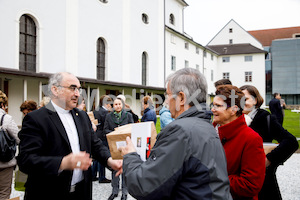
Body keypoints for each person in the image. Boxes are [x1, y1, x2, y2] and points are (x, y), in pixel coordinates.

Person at [119, 68, 232, 200]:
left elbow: (144, 187)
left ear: (182, 98)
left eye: (168, 95)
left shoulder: (181, 131)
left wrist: (130, 156)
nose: (166, 102)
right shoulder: (205, 126)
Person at [17, 72, 122, 200]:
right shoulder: (36, 119)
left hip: (81, 192)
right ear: (55, 90)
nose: (77, 94)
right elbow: (26, 160)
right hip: (49, 193)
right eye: (72, 88)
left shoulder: (82, 116)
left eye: (78, 89)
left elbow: (95, 144)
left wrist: (110, 160)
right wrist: (62, 163)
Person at [240, 85, 299, 200]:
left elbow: (291, 142)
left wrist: (268, 159)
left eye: (245, 99)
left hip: (263, 182)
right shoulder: (237, 118)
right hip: (243, 182)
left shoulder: (265, 118)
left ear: (255, 100)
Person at [211, 85, 265, 200]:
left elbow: (250, 185)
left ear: (234, 110)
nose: (212, 109)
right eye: (213, 105)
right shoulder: (209, 131)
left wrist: (213, 178)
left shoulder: (251, 139)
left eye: (218, 106)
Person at [103, 98, 134, 200]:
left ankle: (124, 192)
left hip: (125, 145)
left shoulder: (128, 115)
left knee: (125, 168)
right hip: (114, 146)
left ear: (122, 105)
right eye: (116, 104)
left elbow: (132, 128)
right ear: (113, 106)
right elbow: (105, 130)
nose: (118, 106)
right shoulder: (108, 116)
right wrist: (115, 132)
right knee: (115, 168)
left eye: (119, 104)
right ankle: (114, 191)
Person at [0, 90, 20, 199]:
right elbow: (19, 138)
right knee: (4, 193)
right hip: (4, 163)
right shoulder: (6, 118)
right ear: (3, 105)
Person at [92, 95, 112, 183]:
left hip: (96, 134)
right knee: (103, 155)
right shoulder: (105, 113)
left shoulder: (96, 110)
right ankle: (102, 177)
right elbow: (106, 124)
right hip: (103, 135)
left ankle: (93, 175)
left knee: (96, 156)